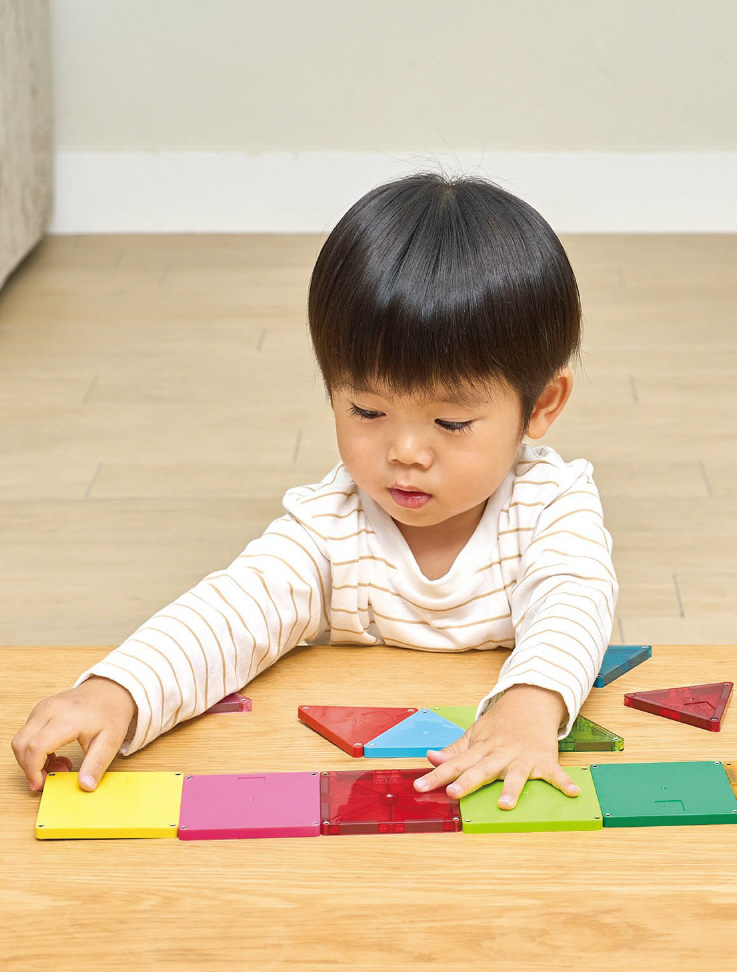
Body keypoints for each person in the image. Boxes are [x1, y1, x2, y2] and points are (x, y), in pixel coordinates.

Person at [11, 172, 618, 809]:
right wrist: (118, 691)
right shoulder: (331, 525)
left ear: (541, 404)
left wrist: (529, 707)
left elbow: (573, 602)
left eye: (451, 422)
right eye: (367, 411)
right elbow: (235, 612)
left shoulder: (552, 504)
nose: (405, 452)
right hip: (370, 801)